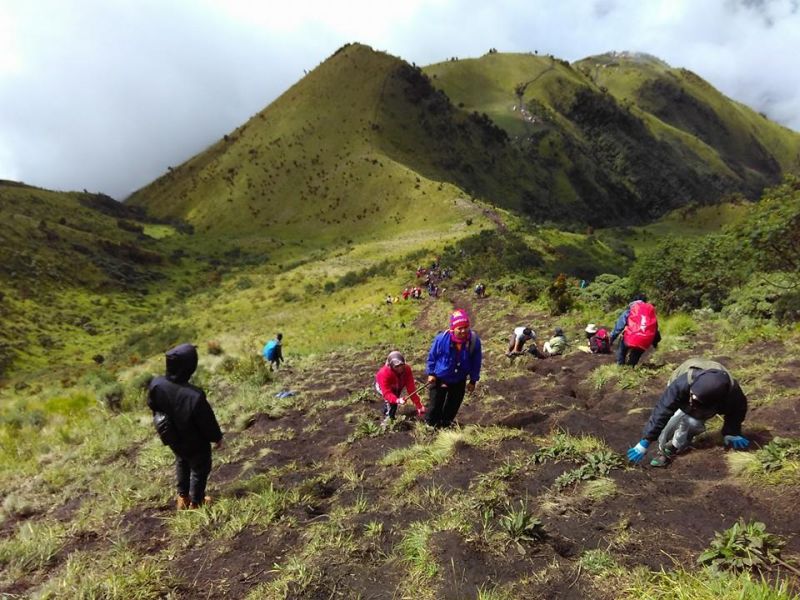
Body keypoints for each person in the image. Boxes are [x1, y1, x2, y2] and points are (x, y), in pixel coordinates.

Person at [626, 358, 749, 468]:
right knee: (672, 420)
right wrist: (646, 441)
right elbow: (663, 410)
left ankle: (673, 447)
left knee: (693, 422)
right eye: (692, 397)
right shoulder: (681, 383)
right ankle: (662, 450)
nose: (692, 402)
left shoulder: (732, 394)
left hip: (711, 398)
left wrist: (732, 432)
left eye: (696, 400)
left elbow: (737, 411)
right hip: (684, 387)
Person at [148, 343, 223, 509]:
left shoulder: (157, 384)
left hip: (172, 436)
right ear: (190, 367)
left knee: (182, 460)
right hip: (195, 441)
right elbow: (207, 421)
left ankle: (182, 497)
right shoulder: (194, 396)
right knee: (199, 468)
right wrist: (217, 437)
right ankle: (197, 502)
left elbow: (153, 405)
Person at [426, 309, 482, 428]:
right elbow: (432, 356)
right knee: (435, 404)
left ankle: (445, 425)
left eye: (466, 327)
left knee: (453, 404)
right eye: (459, 328)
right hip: (440, 377)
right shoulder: (441, 339)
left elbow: (476, 362)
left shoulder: (474, 341)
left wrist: (473, 380)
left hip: (459, 378)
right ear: (452, 328)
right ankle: (430, 426)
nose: (463, 331)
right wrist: (431, 373)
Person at [375, 351, 425, 426]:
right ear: (391, 366)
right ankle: (387, 421)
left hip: (398, 385)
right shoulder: (383, 374)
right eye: (397, 366)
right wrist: (397, 400)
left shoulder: (407, 369)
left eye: (402, 365)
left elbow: (411, 389)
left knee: (394, 402)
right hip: (383, 387)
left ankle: (388, 412)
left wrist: (419, 406)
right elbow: (387, 393)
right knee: (391, 403)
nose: (400, 368)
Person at [610, 294, 661, 366]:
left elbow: (619, 327)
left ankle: (620, 365)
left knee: (622, 347)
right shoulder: (649, 312)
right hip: (645, 340)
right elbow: (654, 328)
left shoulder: (631, 310)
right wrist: (655, 343)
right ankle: (631, 366)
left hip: (631, 338)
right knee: (638, 350)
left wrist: (611, 339)